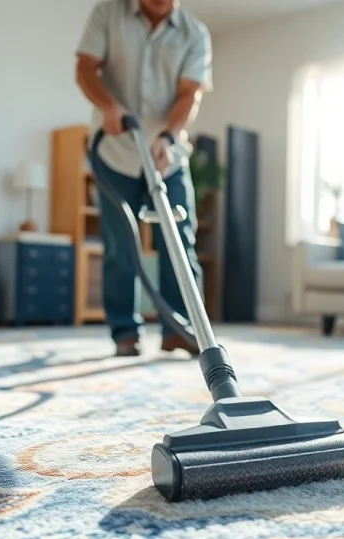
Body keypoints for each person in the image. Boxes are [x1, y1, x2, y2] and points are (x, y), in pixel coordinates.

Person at [75, 0, 212, 358]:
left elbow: (189, 94)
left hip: (165, 155)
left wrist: (167, 136)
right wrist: (109, 106)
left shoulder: (194, 34)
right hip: (115, 150)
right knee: (121, 244)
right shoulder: (108, 13)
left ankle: (179, 329)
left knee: (178, 241)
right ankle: (125, 332)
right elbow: (85, 69)